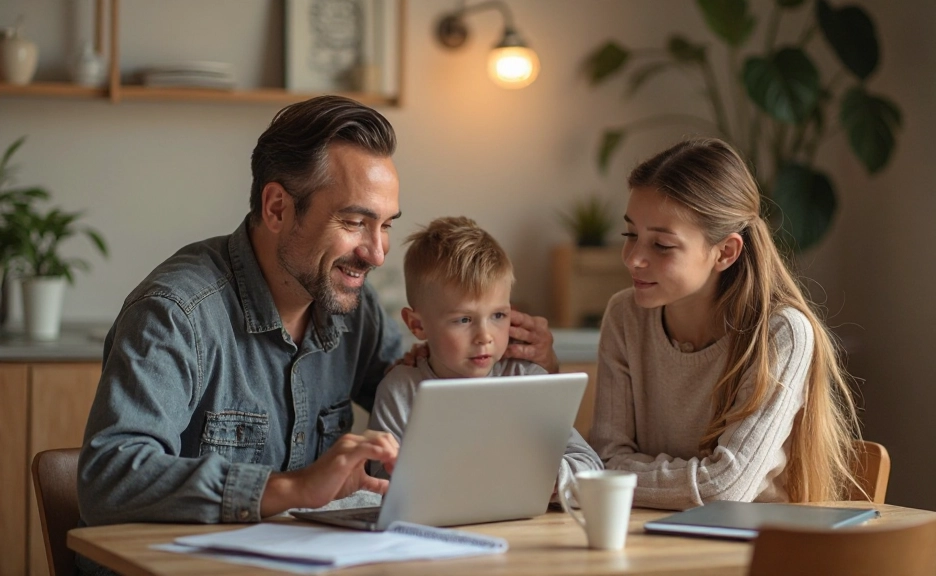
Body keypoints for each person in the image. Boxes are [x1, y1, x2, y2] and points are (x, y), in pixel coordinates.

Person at [77, 95, 560, 546]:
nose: (376, 253)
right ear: (278, 209)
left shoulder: (353, 307)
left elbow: (435, 396)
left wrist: (521, 366)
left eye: (386, 225)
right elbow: (110, 478)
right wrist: (291, 488)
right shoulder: (176, 313)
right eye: (354, 223)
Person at [589, 137, 861, 510]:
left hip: (755, 553)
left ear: (725, 252)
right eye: (630, 235)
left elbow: (724, 488)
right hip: (647, 541)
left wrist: (616, 478)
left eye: (662, 245)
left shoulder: (781, 334)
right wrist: (682, 479)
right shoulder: (625, 316)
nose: (634, 258)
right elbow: (604, 459)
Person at [368, 216, 602, 487]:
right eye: (464, 320)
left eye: (498, 315)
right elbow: (380, 484)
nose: (484, 337)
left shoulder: (527, 380)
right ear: (417, 325)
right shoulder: (400, 391)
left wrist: (541, 475)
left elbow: (590, 464)